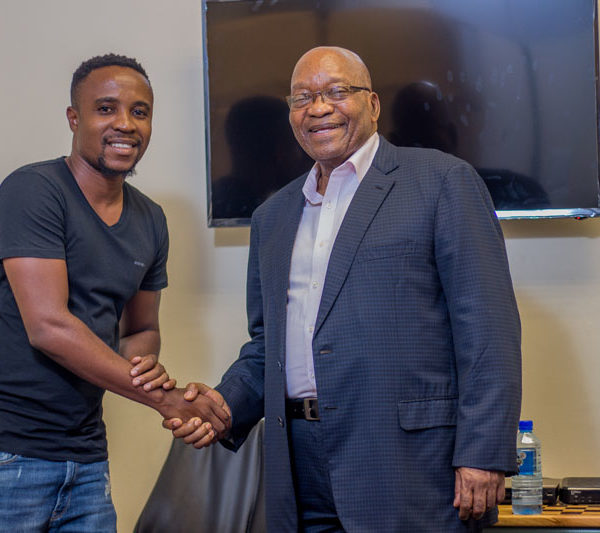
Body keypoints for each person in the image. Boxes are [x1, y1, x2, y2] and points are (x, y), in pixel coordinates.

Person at [169, 46, 522, 532]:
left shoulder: (441, 181)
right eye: (302, 98)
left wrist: (483, 452)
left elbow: (488, 329)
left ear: (372, 104)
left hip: (410, 464)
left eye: (337, 91)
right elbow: (269, 346)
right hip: (298, 468)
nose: (318, 108)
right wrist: (223, 406)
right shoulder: (272, 216)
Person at [0, 54, 228, 532]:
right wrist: (167, 400)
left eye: (139, 112)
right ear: (74, 118)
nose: (125, 123)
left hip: (87, 459)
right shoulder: (33, 191)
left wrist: (146, 368)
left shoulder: (151, 220)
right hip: (12, 454)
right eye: (106, 109)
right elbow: (48, 326)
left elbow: (140, 329)